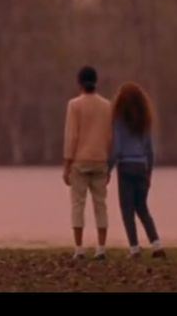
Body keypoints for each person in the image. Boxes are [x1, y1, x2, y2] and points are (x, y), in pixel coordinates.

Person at [108, 82, 166, 259]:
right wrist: (149, 173)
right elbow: (150, 150)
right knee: (142, 207)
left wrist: (108, 169)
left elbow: (116, 148)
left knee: (127, 209)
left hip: (125, 167)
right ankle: (156, 244)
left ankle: (134, 248)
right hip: (141, 166)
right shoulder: (145, 120)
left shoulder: (118, 120)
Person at [62, 66, 112, 260]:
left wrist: (67, 165)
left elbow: (71, 136)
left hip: (80, 161)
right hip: (100, 159)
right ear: (96, 81)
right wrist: (109, 162)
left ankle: (79, 248)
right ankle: (101, 248)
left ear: (79, 82)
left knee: (78, 204)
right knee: (101, 205)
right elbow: (109, 136)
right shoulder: (107, 105)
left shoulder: (74, 105)